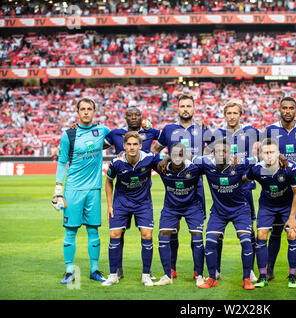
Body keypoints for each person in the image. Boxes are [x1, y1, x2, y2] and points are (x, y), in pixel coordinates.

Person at [52, 97, 110, 284]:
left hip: (93, 189)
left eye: (89, 109)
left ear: (94, 111)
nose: (86, 112)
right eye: (83, 109)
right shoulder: (68, 135)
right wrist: (58, 189)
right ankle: (70, 271)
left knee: (94, 230)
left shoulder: (101, 131)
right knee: (71, 231)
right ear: (77, 112)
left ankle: (95, 270)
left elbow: (121, 138)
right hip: (73, 190)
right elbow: (62, 162)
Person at [151, 94, 209, 279]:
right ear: (177, 108)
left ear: (194, 108)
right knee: (172, 228)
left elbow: (210, 153)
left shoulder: (202, 129)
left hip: (196, 186)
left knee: (196, 231)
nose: (185, 109)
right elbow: (154, 152)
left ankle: (197, 271)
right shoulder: (168, 129)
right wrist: (164, 162)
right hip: (174, 187)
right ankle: (172, 269)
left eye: (188, 106)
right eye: (182, 106)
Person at [103, 106, 160, 280]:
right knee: (117, 234)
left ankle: (146, 272)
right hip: (122, 192)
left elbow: (168, 138)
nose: (134, 117)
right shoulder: (115, 134)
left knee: (146, 233)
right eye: (130, 115)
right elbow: (98, 144)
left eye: (137, 115)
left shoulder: (150, 132)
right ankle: (116, 270)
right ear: (125, 117)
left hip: (142, 194)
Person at [263, 96, 296, 283]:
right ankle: (269, 269)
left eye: (290, 108)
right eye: (284, 108)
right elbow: (263, 155)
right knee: (276, 232)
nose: (287, 111)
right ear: (279, 109)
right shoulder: (270, 130)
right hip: (276, 189)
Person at [207, 100, 260, 282]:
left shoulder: (250, 132)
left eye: (235, 113)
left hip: (245, 187)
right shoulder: (218, 134)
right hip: (224, 188)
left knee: (249, 231)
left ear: (240, 114)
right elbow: (208, 154)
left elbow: (270, 145)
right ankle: (217, 269)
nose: (231, 116)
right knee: (218, 232)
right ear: (224, 115)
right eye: (228, 113)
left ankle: (250, 270)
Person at [194, 139, 256, 290]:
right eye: (218, 151)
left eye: (225, 151)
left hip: (240, 210)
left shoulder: (239, 163)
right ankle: (212, 278)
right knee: (209, 242)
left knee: (246, 241)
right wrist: (168, 158)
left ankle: (246, 278)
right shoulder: (206, 164)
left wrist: (279, 157)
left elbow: (256, 159)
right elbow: (191, 158)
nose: (221, 154)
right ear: (213, 154)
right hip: (219, 211)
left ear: (230, 154)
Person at [246, 138, 296, 288]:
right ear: (261, 154)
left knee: (292, 234)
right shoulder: (256, 169)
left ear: (278, 153)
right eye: (266, 153)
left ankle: (292, 276)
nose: (269, 155)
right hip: (267, 205)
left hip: (287, 205)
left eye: (272, 152)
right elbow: (244, 179)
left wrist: (291, 217)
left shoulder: (290, 169)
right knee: (261, 235)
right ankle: (263, 275)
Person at [154, 142, 206, 287]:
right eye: (174, 155)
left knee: (197, 235)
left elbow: (214, 164)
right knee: (163, 234)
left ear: (186, 156)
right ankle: (167, 275)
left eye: (181, 155)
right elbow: (146, 158)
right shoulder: (162, 168)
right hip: (171, 207)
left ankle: (199, 274)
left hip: (192, 207)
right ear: (170, 156)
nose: (177, 158)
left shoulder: (195, 168)